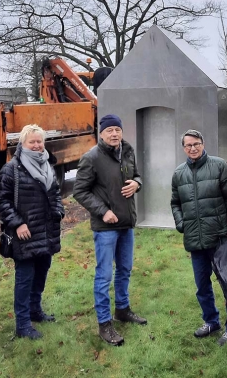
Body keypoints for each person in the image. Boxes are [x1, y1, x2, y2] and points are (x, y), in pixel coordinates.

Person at [73, 114, 146, 346]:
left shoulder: (128, 150)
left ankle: (122, 309)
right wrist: (103, 211)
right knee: (104, 275)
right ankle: (105, 323)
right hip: (105, 226)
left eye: (117, 129)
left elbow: (135, 175)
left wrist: (137, 183)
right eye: (109, 130)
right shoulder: (91, 158)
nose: (114, 134)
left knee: (124, 269)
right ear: (101, 134)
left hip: (126, 222)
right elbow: (80, 191)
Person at [171, 129, 227, 346]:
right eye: (188, 145)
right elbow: (175, 203)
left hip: (220, 237)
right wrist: (181, 223)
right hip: (195, 240)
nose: (193, 148)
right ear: (183, 148)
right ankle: (211, 321)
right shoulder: (179, 173)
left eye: (196, 144)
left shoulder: (219, 166)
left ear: (203, 144)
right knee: (202, 285)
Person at [0, 124, 64, 340]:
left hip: (46, 230)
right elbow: (3, 201)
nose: (36, 146)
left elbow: (55, 193)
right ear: (22, 144)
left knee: (42, 272)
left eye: (39, 141)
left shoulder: (47, 164)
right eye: (32, 142)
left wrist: (59, 211)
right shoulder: (11, 169)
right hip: (24, 234)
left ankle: (35, 311)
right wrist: (17, 224)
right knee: (24, 278)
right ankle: (22, 324)